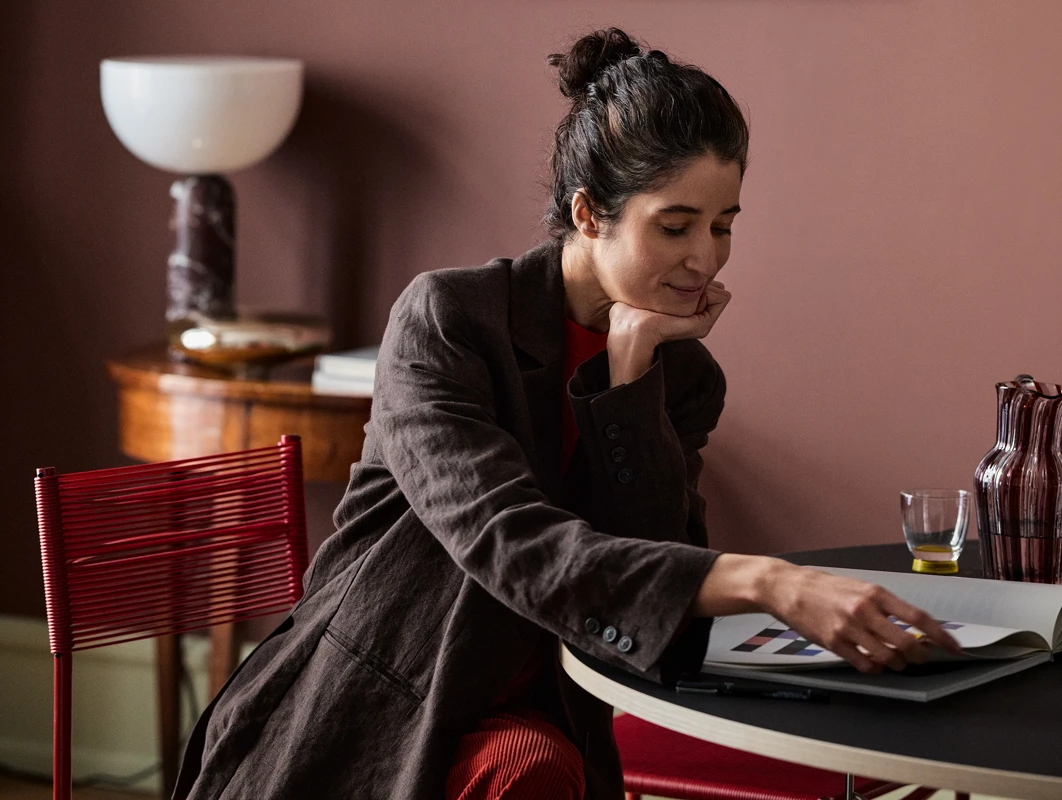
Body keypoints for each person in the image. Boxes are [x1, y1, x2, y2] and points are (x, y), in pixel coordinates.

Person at [173, 26, 962, 800]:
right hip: (380, 698)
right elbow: (510, 540)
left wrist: (630, 376)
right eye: (676, 225)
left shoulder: (683, 377)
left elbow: (661, 578)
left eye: (723, 226)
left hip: (554, 707)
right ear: (589, 214)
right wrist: (769, 581)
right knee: (528, 771)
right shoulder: (448, 320)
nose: (708, 259)